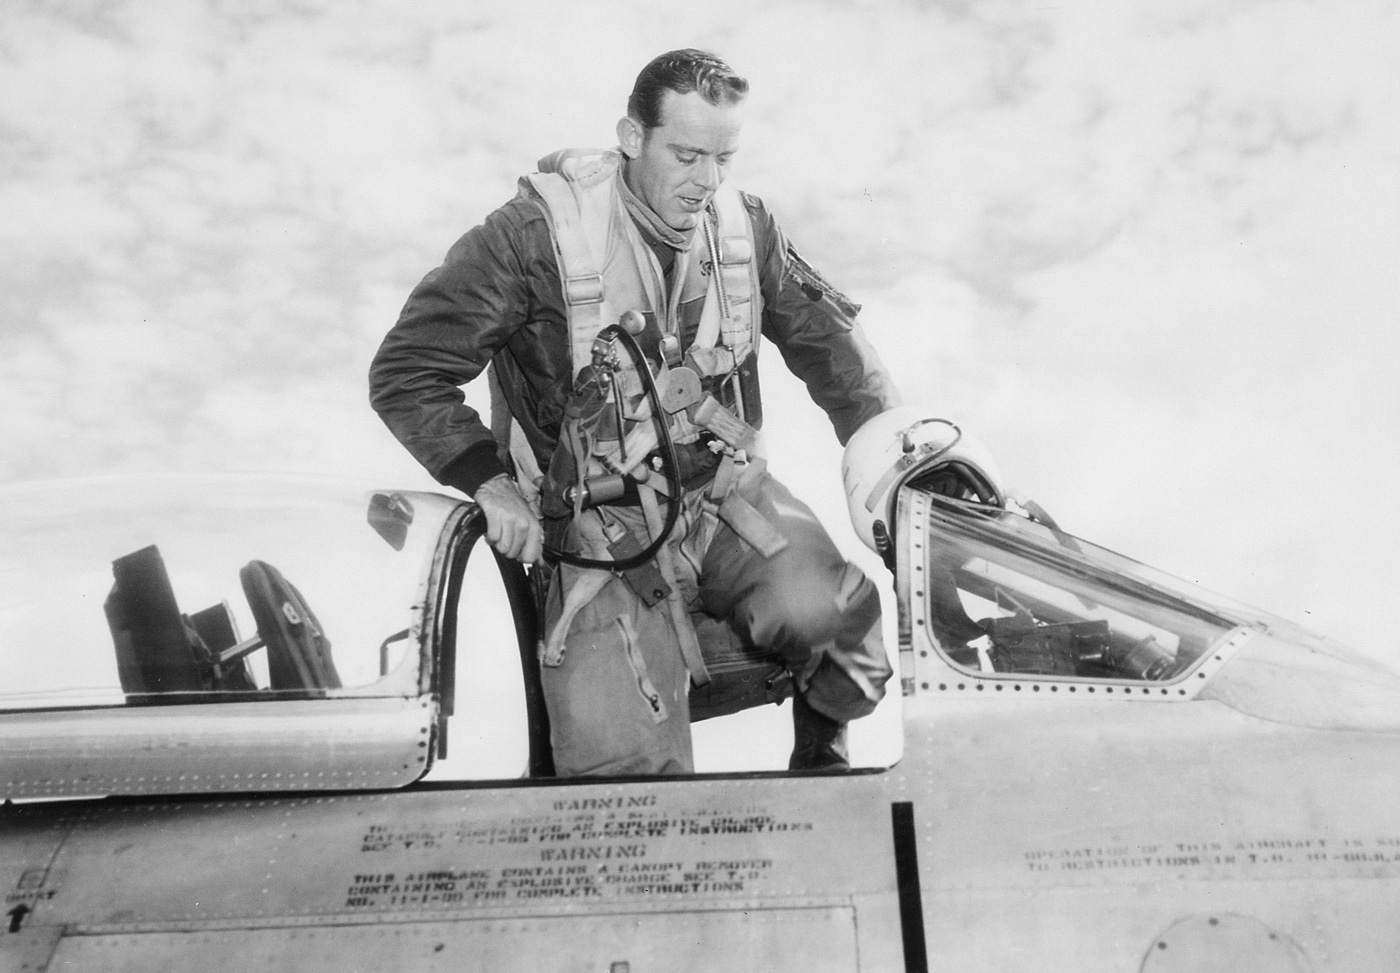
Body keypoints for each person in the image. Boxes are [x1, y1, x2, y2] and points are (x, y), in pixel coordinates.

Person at [369, 49, 899, 777]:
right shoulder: (529, 240)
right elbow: (406, 372)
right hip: (599, 531)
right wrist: (486, 481)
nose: (707, 181)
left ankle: (822, 753)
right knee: (622, 776)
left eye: (724, 157)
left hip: (722, 500)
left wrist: (899, 462)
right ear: (631, 136)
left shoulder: (746, 230)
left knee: (835, 612)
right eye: (686, 155)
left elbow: (838, 354)